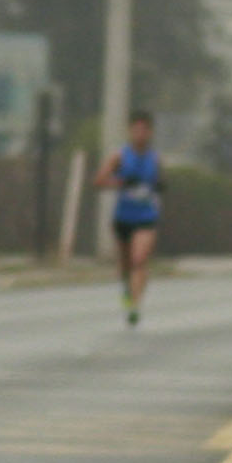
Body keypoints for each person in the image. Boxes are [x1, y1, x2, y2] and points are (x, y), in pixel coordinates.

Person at [93, 112, 163, 327]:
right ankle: (126, 287)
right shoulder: (120, 156)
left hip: (147, 217)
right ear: (130, 131)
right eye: (136, 130)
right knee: (125, 265)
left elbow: (159, 182)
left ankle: (134, 305)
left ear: (150, 132)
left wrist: (159, 186)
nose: (140, 134)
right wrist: (121, 182)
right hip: (124, 217)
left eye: (144, 130)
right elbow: (98, 181)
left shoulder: (155, 158)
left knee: (139, 260)